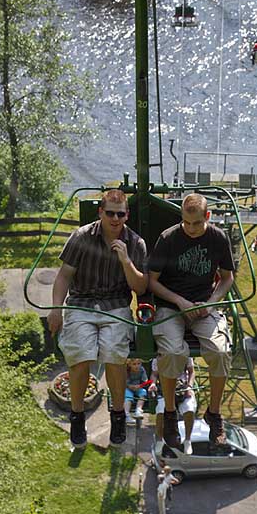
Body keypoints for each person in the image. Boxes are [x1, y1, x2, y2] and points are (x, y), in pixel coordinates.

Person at [47, 189, 147, 449]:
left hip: (115, 306)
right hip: (82, 302)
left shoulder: (135, 243)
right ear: (100, 212)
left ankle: (117, 414)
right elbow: (64, 276)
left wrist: (125, 261)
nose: (115, 219)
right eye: (110, 213)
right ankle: (77, 414)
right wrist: (56, 308)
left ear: (127, 215)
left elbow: (140, 288)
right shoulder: (81, 237)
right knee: (80, 355)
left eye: (120, 214)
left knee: (114, 354)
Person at [149, 193, 235, 448]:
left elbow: (227, 277)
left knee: (220, 351)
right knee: (174, 352)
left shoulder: (217, 238)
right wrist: (179, 302)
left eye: (196, 223)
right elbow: (152, 281)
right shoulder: (168, 239)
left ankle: (214, 413)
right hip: (171, 307)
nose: (191, 229)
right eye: (186, 223)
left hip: (202, 306)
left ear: (207, 217)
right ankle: (170, 412)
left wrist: (211, 302)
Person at [152, 355, 196, 454]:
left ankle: (188, 440)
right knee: (160, 411)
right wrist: (153, 383)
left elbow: (191, 372)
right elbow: (154, 374)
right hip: (165, 388)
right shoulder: (159, 356)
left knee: (189, 409)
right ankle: (159, 439)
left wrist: (189, 386)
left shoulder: (185, 355)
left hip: (182, 387)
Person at [124, 357, 149, 424]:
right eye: (134, 364)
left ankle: (138, 410)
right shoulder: (127, 371)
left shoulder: (141, 370)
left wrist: (140, 386)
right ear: (130, 365)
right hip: (128, 387)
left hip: (138, 387)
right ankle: (126, 414)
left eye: (138, 364)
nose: (137, 366)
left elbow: (145, 381)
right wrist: (130, 386)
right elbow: (124, 382)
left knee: (143, 392)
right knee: (128, 396)